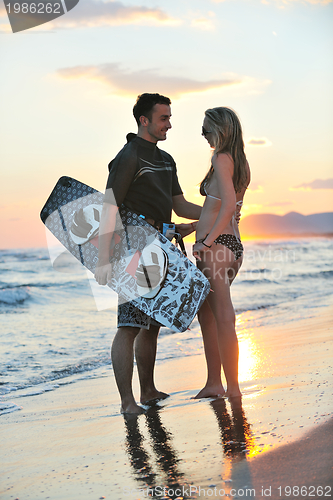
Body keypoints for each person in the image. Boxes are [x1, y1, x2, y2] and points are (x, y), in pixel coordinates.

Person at [95, 93, 201, 414]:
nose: (169, 123)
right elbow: (109, 207)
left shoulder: (166, 160)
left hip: (161, 246)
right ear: (145, 120)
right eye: (163, 118)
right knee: (129, 325)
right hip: (132, 248)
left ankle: (148, 390)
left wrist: (217, 209)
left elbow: (179, 205)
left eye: (169, 117)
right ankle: (128, 403)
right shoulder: (129, 157)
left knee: (152, 323)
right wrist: (103, 258)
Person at [192, 107, 250, 399]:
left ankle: (234, 389)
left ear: (220, 129)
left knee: (224, 317)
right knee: (207, 313)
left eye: (205, 129)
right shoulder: (239, 161)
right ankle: (214, 382)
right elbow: (225, 210)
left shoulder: (221, 158)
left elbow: (227, 206)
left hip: (217, 249)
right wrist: (193, 227)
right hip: (232, 246)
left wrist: (205, 242)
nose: (202, 134)